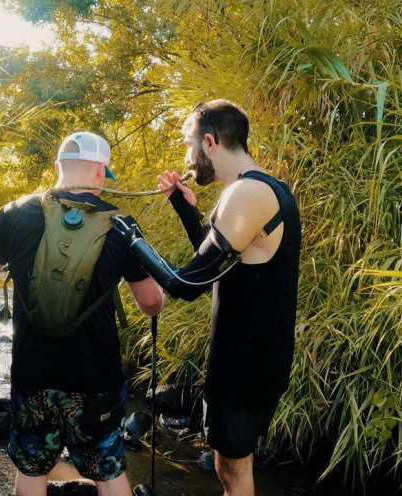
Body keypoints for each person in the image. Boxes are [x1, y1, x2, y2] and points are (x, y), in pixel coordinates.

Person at [0, 131, 165, 496]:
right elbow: (150, 302)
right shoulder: (122, 225)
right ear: (102, 171)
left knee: (32, 470)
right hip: (96, 378)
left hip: (33, 374)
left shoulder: (12, 214)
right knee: (107, 472)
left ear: (58, 167)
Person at [119, 100, 301, 496]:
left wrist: (130, 241)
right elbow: (221, 264)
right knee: (237, 465)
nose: (187, 156)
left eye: (189, 146)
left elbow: (186, 285)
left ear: (209, 141)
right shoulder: (270, 188)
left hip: (243, 365)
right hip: (263, 358)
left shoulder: (244, 194)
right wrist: (187, 212)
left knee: (231, 471)